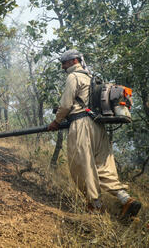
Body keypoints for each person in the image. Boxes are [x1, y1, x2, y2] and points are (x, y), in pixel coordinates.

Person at [48, 49, 141, 218]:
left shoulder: (73, 77)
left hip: (81, 124)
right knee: (103, 166)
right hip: (98, 125)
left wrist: (56, 121)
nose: (62, 66)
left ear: (74, 61)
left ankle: (95, 206)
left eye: (64, 62)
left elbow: (66, 104)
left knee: (82, 165)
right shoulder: (92, 78)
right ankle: (125, 199)